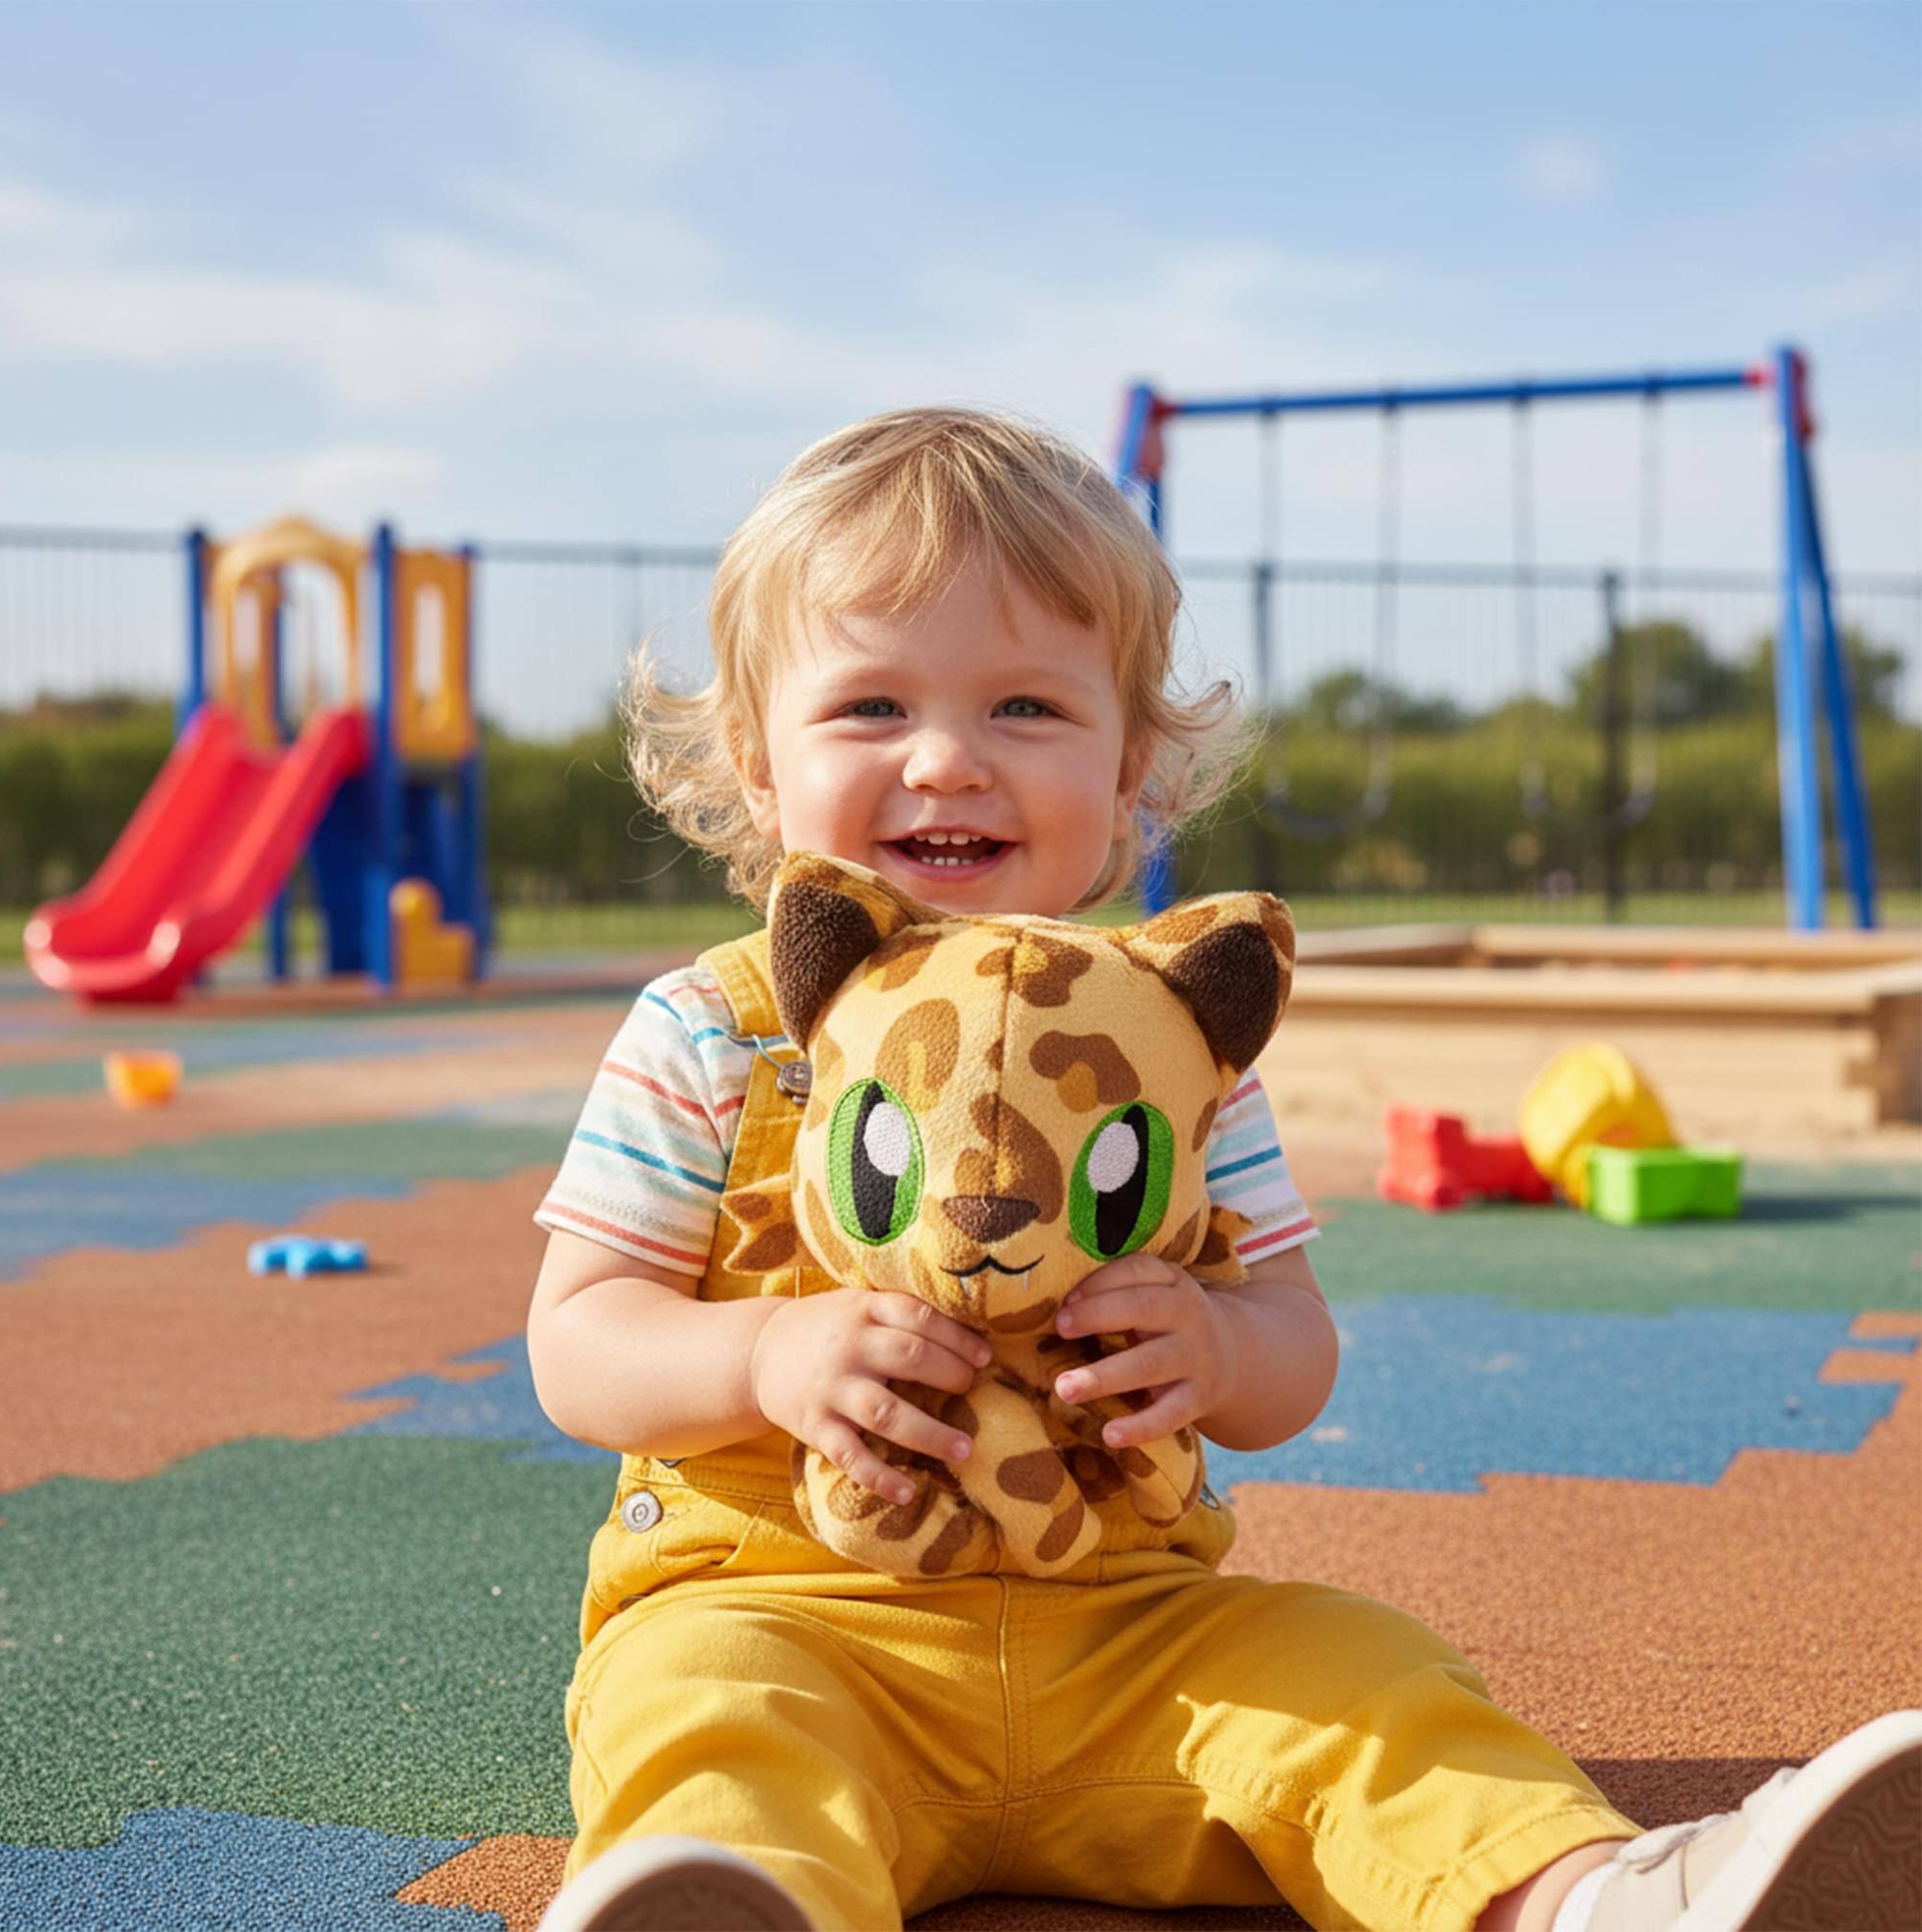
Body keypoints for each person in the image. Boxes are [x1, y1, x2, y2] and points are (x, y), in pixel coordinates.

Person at [526, 407, 1921, 1932]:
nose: (946, 760)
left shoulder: (1179, 1046)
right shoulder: (709, 1031)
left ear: (1135, 769)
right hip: (786, 1610)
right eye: (868, 707)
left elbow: (1294, 1349)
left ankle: (1600, 1896)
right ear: (755, 754)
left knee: (1356, 1670)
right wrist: (768, 1348)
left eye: (1026, 710)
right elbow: (579, 1337)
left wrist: (1216, 1343)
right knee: (705, 1712)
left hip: (1131, 1641)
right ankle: (736, 1901)